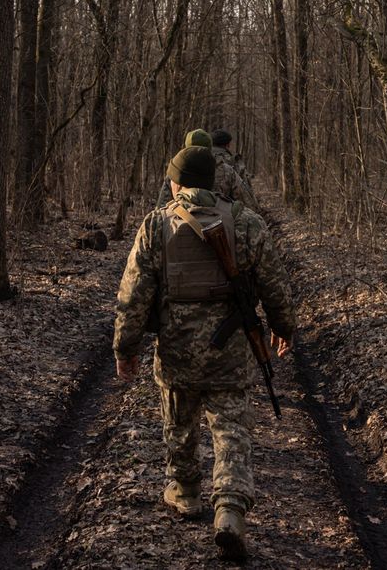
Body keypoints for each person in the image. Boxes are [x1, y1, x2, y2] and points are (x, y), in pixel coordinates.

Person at [114, 145, 295, 560]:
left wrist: (126, 347)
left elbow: (134, 295)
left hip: (177, 350)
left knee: (179, 420)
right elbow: (275, 285)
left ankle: (186, 491)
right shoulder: (247, 223)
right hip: (231, 351)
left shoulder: (156, 225)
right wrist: (284, 328)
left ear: (177, 181)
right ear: (212, 182)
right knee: (231, 426)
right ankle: (229, 508)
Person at [156, 129, 212, 207]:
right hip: (216, 217)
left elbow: (162, 204)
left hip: (179, 217)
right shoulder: (222, 169)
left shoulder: (176, 170)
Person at [210, 129, 257, 209]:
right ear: (228, 144)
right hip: (226, 210)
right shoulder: (233, 161)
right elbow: (244, 191)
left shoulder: (201, 158)